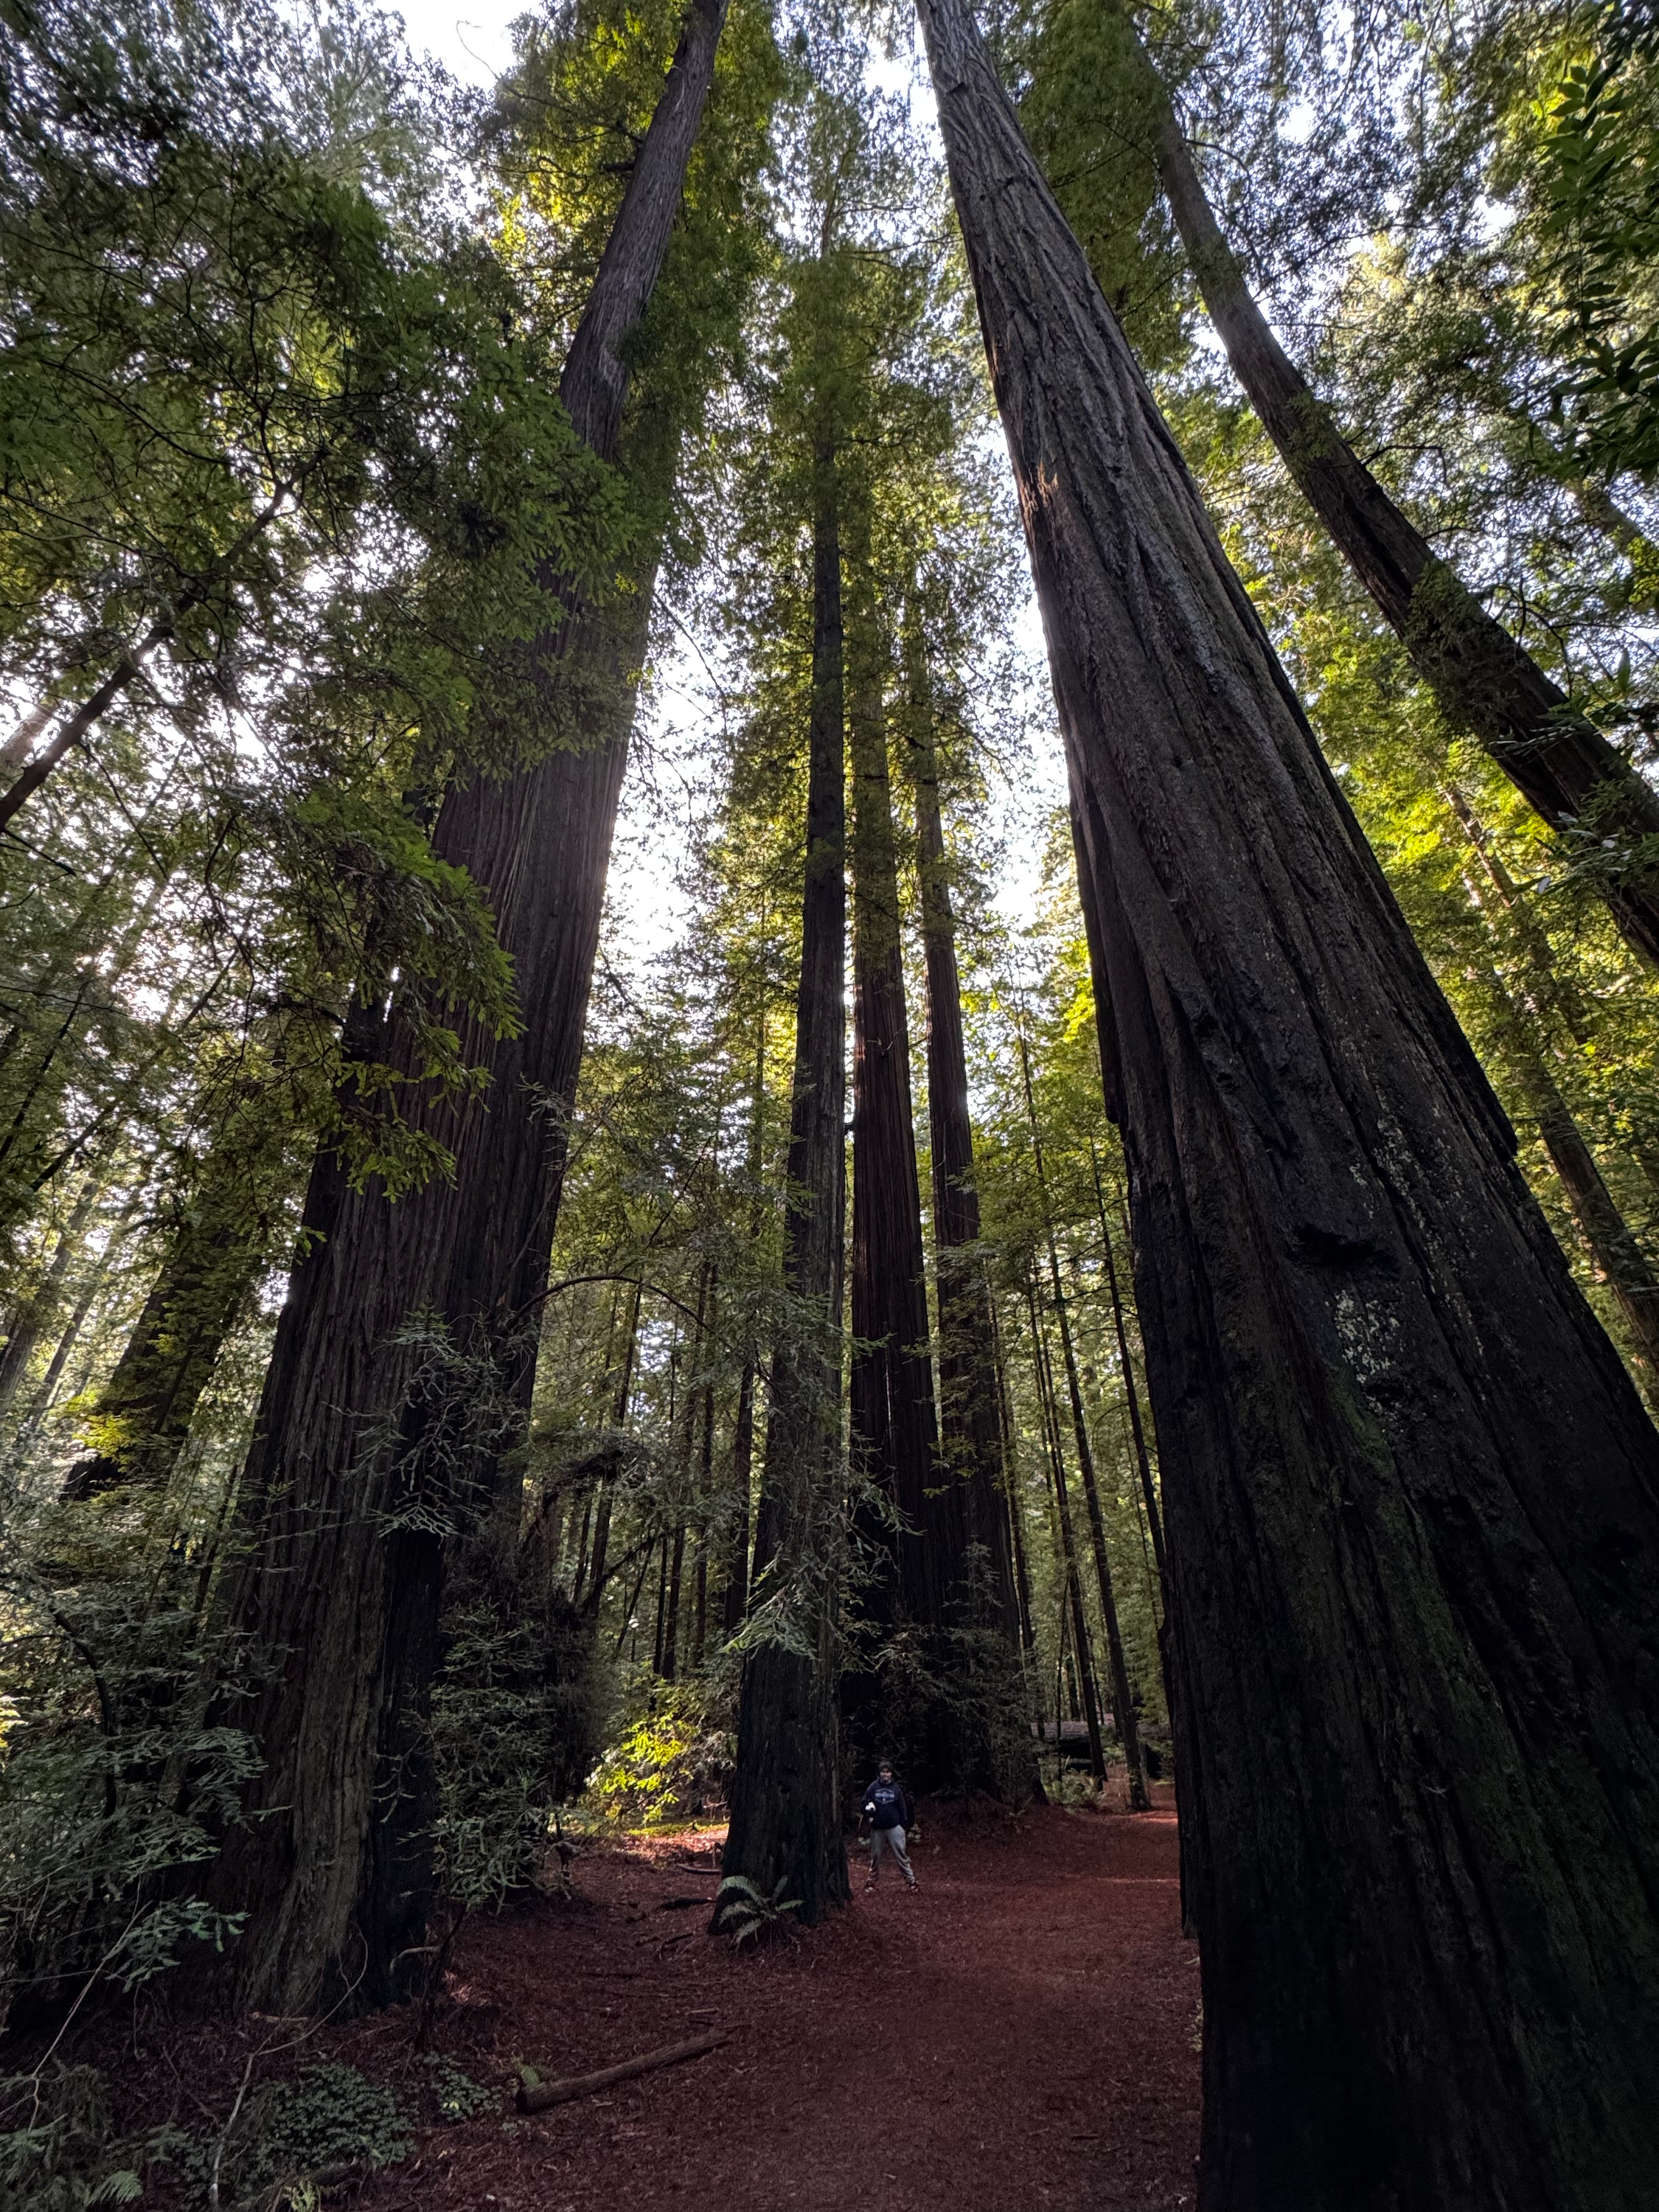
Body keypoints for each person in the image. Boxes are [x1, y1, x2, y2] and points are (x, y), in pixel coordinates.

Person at [860, 1761, 919, 1892]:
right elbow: (864, 1804)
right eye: (883, 1772)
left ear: (891, 1773)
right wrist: (869, 1816)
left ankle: (911, 1882)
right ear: (879, 1773)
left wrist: (904, 1824)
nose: (885, 1774)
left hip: (894, 1827)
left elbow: (902, 1808)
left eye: (887, 1772)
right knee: (875, 1855)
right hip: (877, 1828)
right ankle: (871, 1882)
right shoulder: (873, 1788)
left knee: (901, 1855)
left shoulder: (896, 1789)